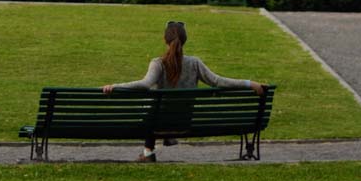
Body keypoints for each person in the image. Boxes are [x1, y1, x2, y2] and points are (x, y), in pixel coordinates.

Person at [102, 20, 266, 163]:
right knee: (167, 108)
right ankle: (166, 136)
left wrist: (115, 86)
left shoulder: (158, 63)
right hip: (183, 120)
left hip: (155, 122)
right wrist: (249, 83)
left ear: (164, 39)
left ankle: (148, 152)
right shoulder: (194, 63)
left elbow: (145, 84)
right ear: (184, 40)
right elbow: (218, 81)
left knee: (153, 108)